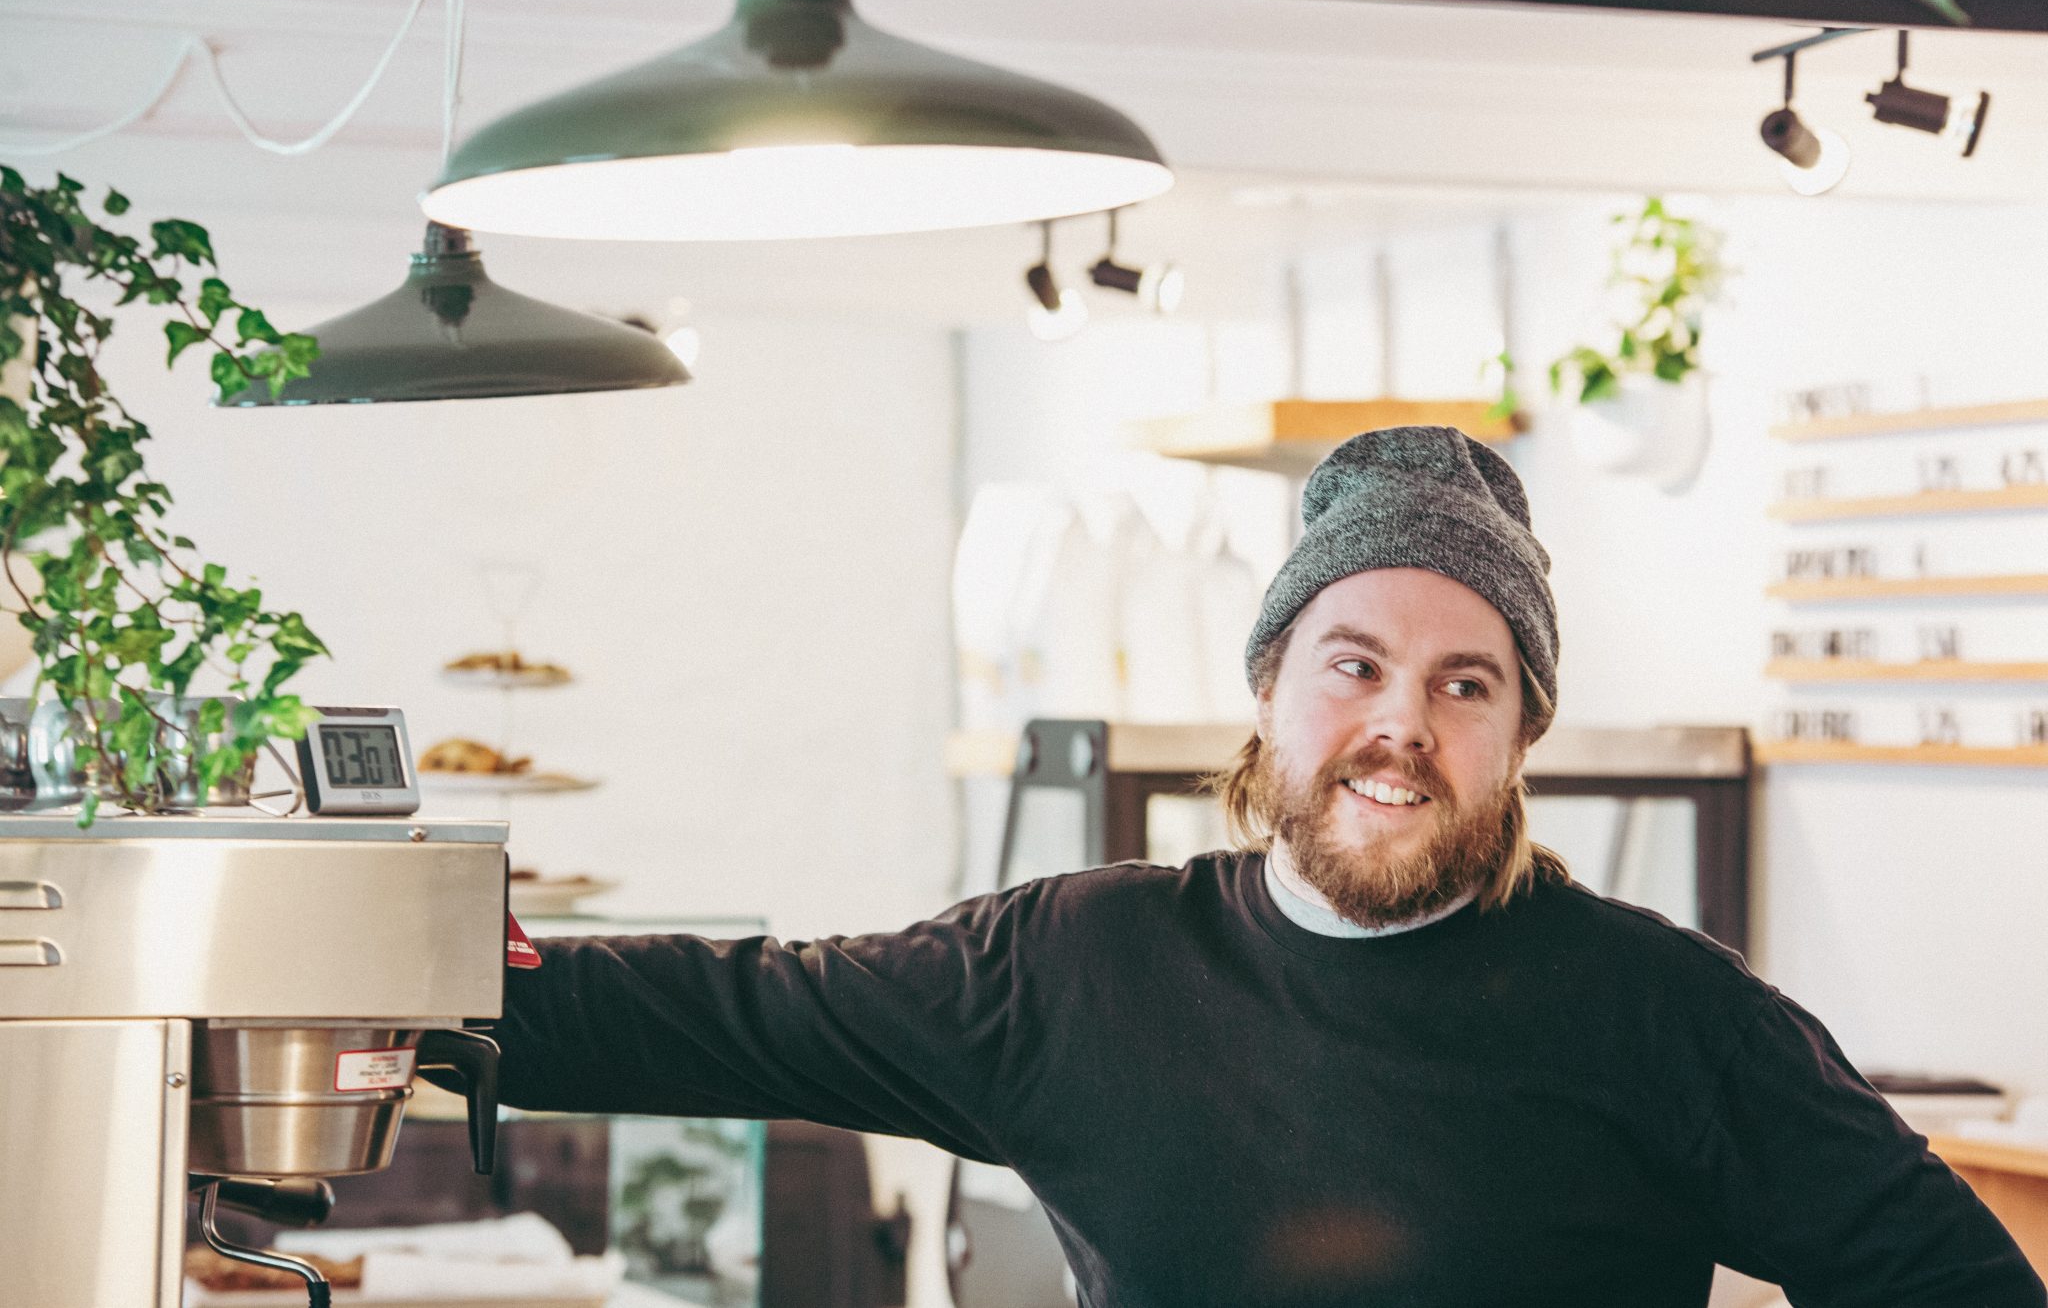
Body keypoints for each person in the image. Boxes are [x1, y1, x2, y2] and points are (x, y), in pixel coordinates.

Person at [487, 427, 2046, 1307]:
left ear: (1520, 733)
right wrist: (411, 966)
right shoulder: (1078, 965)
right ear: (1269, 688)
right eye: (1353, 664)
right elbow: (732, 1010)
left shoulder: (1668, 1011)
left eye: (1465, 682)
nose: (1401, 727)